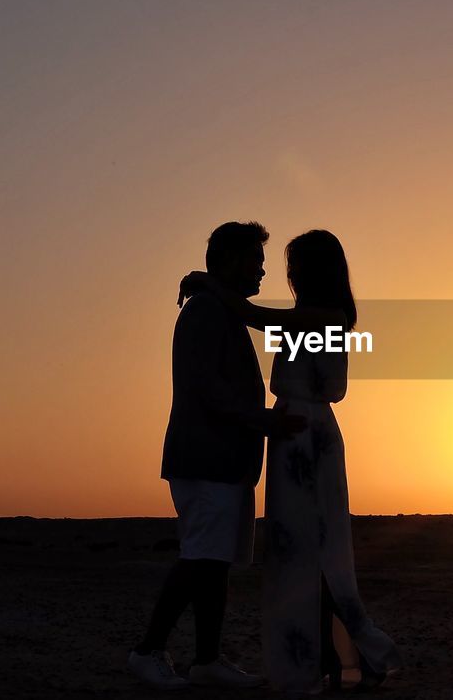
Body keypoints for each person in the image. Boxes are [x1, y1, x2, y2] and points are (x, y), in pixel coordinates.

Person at [181, 229, 401, 693]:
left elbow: (252, 314)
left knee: (314, 547)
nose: (289, 274)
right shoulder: (311, 317)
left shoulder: (324, 316)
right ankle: (325, 658)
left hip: (305, 437)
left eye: (296, 265)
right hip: (292, 435)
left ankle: (344, 656)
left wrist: (205, 280)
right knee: (296, 548)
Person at [128, 221, 306, 690]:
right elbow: (205, 390)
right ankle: (148, 651)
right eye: (256, 260)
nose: (263, 271)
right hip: (205, 459)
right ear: (229, 260)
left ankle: (207, 659)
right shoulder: (206, 312)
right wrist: (268, 422)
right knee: (200, 557)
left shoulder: (220, 309)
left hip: (224, 462)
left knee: (214, 562)